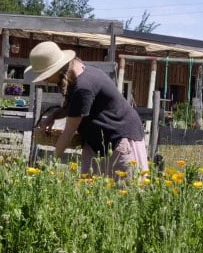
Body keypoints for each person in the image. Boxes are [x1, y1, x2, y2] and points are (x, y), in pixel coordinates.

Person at [27, 41, 148, 177]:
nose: (45, 80)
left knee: (125, 191)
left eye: (46, 75)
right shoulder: (77, 73)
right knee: (91, 190)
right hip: (96, 143)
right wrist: (53, 115)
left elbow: (69, 132)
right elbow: (75, 109)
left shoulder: (83, 86)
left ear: (58, 69)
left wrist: (47, 167)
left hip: (119, 139)